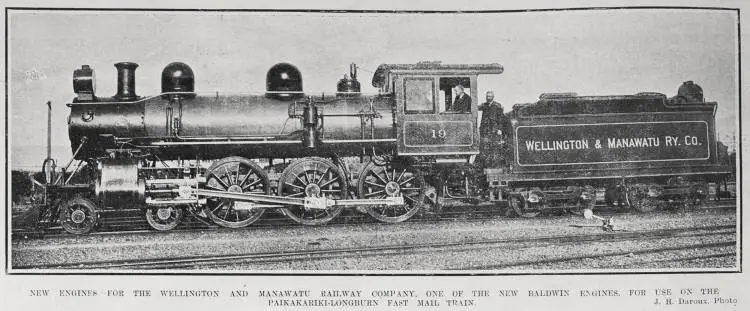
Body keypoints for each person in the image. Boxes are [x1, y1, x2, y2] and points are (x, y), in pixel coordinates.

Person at [478, 90, 508, 166]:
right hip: (485, 130)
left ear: (493, 97)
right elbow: (477, 108)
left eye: (490, 96)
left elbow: (500, 119)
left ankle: (494, 163)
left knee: (495, 147)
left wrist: (500, 129)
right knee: (485, 147)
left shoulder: (497, 106)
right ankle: (487, 163)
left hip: (494, 130)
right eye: (487, 96)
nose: (488, 98)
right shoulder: (484, 105)